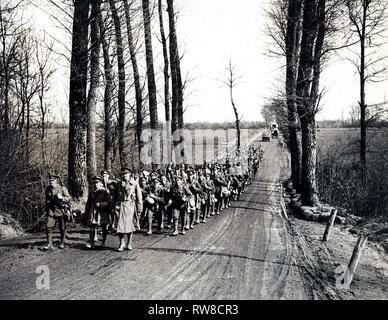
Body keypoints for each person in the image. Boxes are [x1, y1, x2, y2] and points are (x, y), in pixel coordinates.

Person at [113, 167, 143, 251]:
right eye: (123, 174)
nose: (124, 175)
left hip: (130, 206)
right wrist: (112, 207)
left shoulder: (134, 184)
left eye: (126, 174)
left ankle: (129, 243)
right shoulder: (118, 184)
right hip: (120, 206)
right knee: (120, 226)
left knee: (130, 226)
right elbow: (114, 197)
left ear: (130, 174)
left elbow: (139, 197)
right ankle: (121, 243)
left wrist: (139, 209)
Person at [43, 174, 71, 250]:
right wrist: (47, 209)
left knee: (62, 227)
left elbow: (69, 198)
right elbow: (46, 200)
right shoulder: (48, 189)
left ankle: (62, 242)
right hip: (51, 210)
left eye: (53, 181)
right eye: (50, 181)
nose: (51, 182)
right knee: (48, 226)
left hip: (61, 210)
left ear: (56, 181)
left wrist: (62, 197)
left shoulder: (62, 188)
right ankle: (49, 243)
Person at [84, 176, 111, 249]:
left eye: (97, 183)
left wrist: (101, 204)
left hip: (102, 211)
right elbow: (88, 202)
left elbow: (108, 201)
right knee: (92, 226)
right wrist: (86, 212)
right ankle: (92, 243)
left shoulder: (105, 191)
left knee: (104, 226)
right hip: (94, 211)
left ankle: (104, 241)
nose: (96, 185)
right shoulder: (92, 192)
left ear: (101, 183)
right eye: (94, 183)